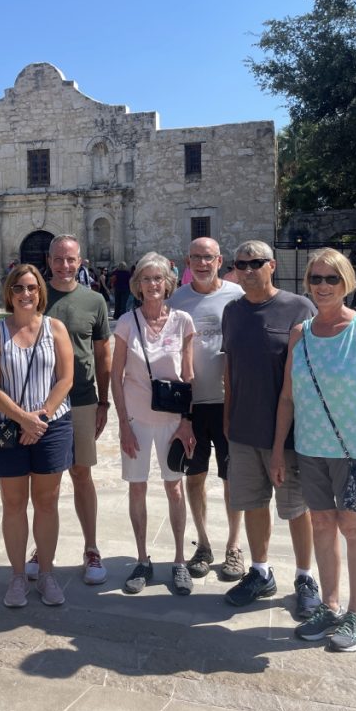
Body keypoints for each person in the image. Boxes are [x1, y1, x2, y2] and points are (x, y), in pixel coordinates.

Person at [272, 248, 356, 651]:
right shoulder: (300, 333)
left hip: (355, 450)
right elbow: (287, 398)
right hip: (310, 450)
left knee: (354, 527)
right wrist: (278, 449)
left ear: (347, 283)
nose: (323, 286)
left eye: (332, 279)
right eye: (316, 278)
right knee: (321, 525)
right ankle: (330, 603)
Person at [221, 241, 320, 618]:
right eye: (241, 264)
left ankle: (305, 576)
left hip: (289, 432)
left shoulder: (298, 307)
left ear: (272, 265)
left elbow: (318, 363)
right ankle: (260, 571)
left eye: (256, 263)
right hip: (244, 428)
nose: (247, 270)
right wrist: (228, 418)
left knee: (296, 507)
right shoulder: (233, 311)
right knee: (252, 502)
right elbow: (230, 368)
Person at [0, 263, 74, 608]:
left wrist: (41, 417)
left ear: (40, 292)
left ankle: (46, 573)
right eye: (19, 288)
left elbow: (66, 378)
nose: (25, 294)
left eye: (32, 287)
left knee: (47, 502)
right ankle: (18, 575)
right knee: (14, 503)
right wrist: (23, 419)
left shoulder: (55, 329)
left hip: (50, 426)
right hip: (9, 427)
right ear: (9, 292)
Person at [26, 234, 111, 585]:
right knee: (46, 481)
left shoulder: (94, 301)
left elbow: (103, 354)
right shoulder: (35, 298)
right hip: (41, 402)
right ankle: (40, 549)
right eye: (58, 259)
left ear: (81, 261)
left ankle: (91, 548)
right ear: (49, 259)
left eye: (70, 259)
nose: (64, 265)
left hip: (81, 398)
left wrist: (104, 401)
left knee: (81, 473)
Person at [111, 252, 196, 596]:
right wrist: (123, 425)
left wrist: (187, 423)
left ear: (168, 282)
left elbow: (188, 374)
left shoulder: (183, 321)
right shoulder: (126, 323)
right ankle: (143, 558)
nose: (152, 285)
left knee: (175, 487)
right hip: (137, 419)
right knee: (138, 486)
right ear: (137, 285)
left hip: (172, 421)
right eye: (145, 279)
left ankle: (178, 560)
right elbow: (115, 377)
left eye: (157, 278)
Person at [168, 237, 245, 580]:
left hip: (229, 403)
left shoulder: (237, 296)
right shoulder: (176, 301)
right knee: (194, 477)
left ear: (219, 260)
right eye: (196, 257)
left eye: (208, 257)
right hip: (192, 406)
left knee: (232, 478)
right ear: (188, 260)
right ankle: (202, 543)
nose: (202, 263)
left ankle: (233, 547)